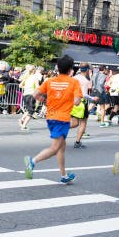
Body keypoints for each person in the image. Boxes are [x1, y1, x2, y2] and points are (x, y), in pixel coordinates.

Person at [24, 55, 83, 184]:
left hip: (51, 117)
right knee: (55, 148)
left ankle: (64, 175)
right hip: (62, 119)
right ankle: (32, 162)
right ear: (70, 70)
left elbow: (35, 94)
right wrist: (71, 100)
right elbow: (77, 102)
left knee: (62, 146)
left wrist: (45, 100)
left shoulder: (50, 81)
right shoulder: (74, 82)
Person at [72, 63, 93, 148]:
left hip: (73, 102)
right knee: (83, 123)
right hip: (81, 102)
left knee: (75, 123)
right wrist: (92, 98)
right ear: (87, 70)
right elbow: (84, 93)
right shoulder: (85, 80)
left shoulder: (74, 78)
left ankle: (60, 128)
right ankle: (77, 142)